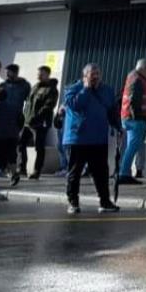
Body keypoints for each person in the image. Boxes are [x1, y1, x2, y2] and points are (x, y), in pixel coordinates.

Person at [60, 64, 121, 214]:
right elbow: (75, 105)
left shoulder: (107, 90)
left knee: (101, 172)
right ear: (84, 75)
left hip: (99, 138)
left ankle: (105, 201)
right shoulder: (72, 89)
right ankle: (73, 202)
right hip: (77, 139)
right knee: (75, 172)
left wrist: (118, 127)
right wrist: (86, 89)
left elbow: (112, 110)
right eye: (92, 74)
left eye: (97, 74)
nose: (95, 77)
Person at [118, 59, 146, 185]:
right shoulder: (138, 80)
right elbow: (134, 101)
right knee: (132, 147)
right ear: (143, 68)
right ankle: (124, 173)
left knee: (131, 146)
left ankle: (124, 172)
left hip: (132, 119)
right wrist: (139, 117)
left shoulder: (135, 78)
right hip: (136, 120)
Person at [23, 66, 59, 179]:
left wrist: (36, 118)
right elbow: (28, 103)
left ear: (47, 74)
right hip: (27, 122)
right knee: (21, 143)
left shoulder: (51, 89)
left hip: (40, 123)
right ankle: (21, 168)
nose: (39, 75)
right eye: (38, 73)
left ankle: (36, 170)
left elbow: (48, 106)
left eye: (41, 74)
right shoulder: (35, 87)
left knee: (39, 147)